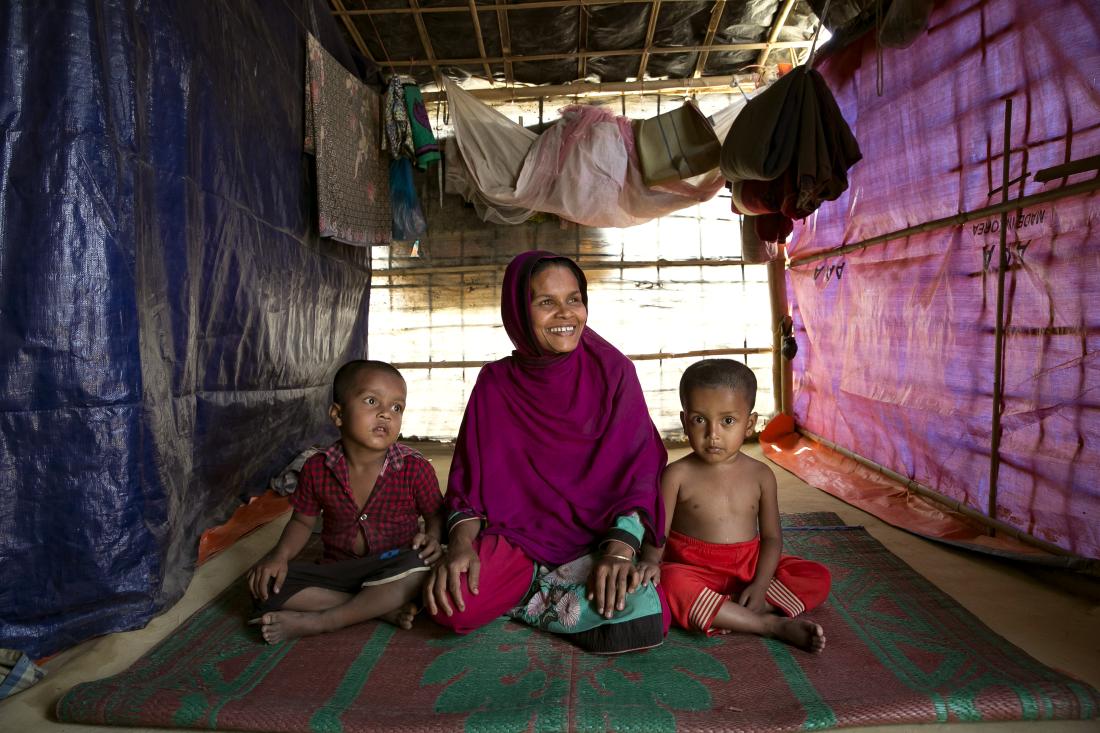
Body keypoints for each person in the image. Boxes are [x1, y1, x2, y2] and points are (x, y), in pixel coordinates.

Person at [424, 250, 670, 654]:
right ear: (519, 311)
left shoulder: (614, 371)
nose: (565, 314)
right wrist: (462, 547)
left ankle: (534, 597)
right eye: (546, 302)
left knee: (646, 612)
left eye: (574, 299)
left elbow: (639, 471)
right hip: (520, 537)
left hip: (600, 537)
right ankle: (548, 596)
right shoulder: (495, 384)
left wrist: (620, 552)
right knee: (452, 606)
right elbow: (468, 487)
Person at [634, 359, 830, 652]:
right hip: (693, 569)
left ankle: (734, 609)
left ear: (749, 423)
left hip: (748, 568)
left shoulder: (761, 475)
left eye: (727, 421)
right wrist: (650, 562)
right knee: (670, 583)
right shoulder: (676, 475)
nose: (713, 434)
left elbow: (773, 539)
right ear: (685, 420)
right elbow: (657, 535)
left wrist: (761, 584)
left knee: (817, 575)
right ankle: (768, 623)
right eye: (700, 420)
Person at [247, 360, 444, 643]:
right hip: (338, 569)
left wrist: (433, 538)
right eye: (372, 401)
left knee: (423, 565)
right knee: (263, 583)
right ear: (338, 415)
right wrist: (279, 556)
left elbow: (436, 515)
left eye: (396, 407)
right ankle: (377, 608)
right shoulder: (317, 467)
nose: (386, 414)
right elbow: (302, 521)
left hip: (394, 566)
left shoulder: (414, 468)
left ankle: (325, 620)